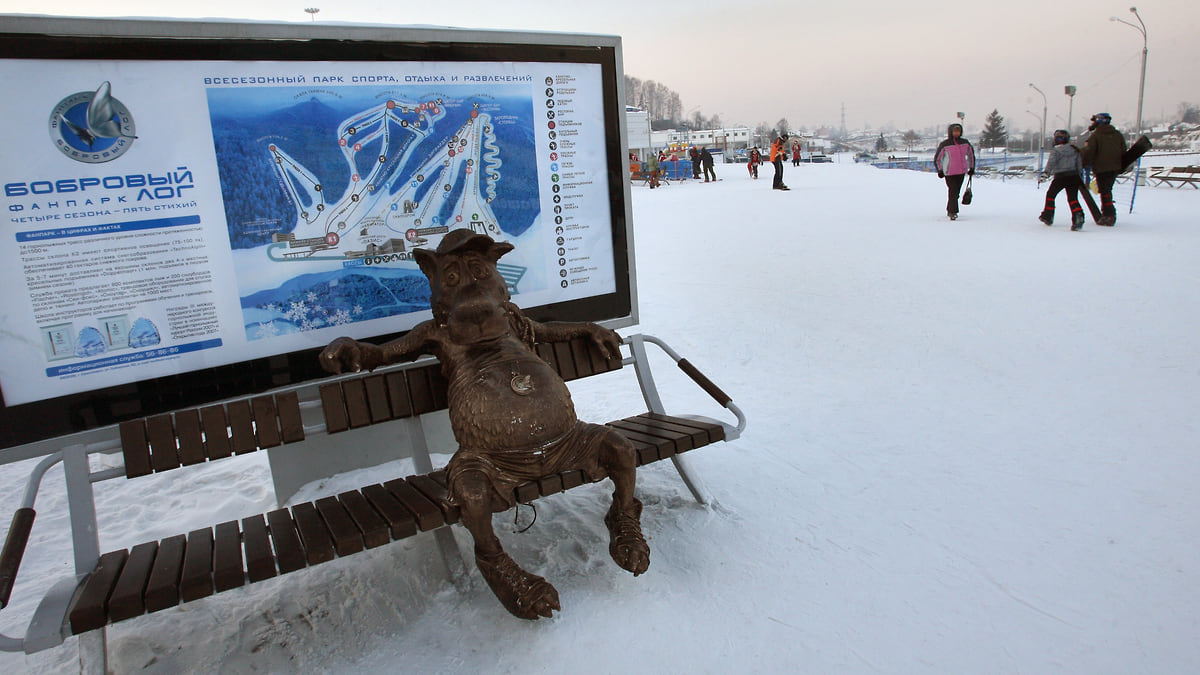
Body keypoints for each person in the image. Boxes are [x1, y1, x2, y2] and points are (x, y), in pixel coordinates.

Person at [1080, 112, 1126, 226]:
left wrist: (1082, 163)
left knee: (1105, 191)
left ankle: (1109, 215)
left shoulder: (1096, 135)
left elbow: (1089, 152)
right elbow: (1123, 149)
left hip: (1101, 167)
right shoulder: (1117, 134)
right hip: (1115, 167)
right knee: (1107, 190)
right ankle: (1106, 213)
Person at [1038, 129, 1086, 231]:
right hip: (1074, 176)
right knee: (1073, 199)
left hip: (1061, 176)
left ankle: (1048, 216)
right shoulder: (1075, 149)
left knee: (1051, 195)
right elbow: (1079, 165)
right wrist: (1080, 177)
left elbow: (1051, 164)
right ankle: (1078, 217)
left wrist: (1045, 174)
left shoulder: (1056, 151)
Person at [933, 122, 975, 220]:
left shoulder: (965, 143)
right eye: (955, 131)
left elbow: (971, 156)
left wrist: (972, 168)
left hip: (961, 172)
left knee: (956, 193)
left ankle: (950, 209)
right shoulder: (945, 144)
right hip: (949, 172)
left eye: (958, 131)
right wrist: (940, 170)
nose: (956, 133)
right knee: (953, 191)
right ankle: (953, 212)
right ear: (950, 132)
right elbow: (938, 158)